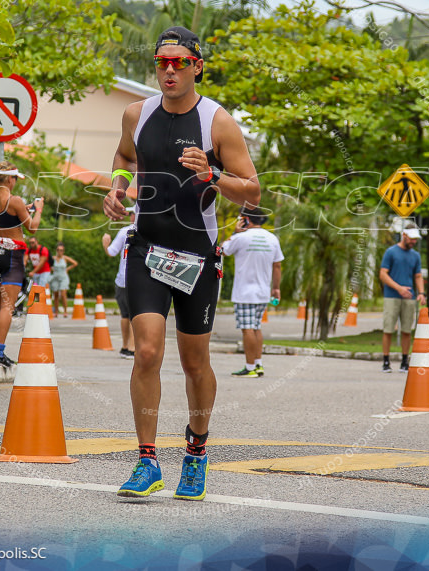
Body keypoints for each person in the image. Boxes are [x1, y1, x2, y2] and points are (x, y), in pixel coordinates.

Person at [104, 26, 260, 501]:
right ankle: (147, 460)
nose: (169, 70)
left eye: (179, 63)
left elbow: (251, 189)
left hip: (196, 255)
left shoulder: (218, 123)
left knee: (195, 363)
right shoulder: (137, 113)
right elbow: (123, 157)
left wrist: (212, 174)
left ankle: (196, 454)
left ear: (197, 67)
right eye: (162, 63)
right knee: (147, 352)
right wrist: (116, 188)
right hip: (147, 248)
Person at [0, 162, 43, 369]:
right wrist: (38, 210)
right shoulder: (15, 200)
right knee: (8, 306)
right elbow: (32, 228)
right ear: (10, 179)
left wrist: (23, 210)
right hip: (12, 255)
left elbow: (4, 220)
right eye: (15, 179)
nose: (15, 182)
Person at [222, 208, 283, 378]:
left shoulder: (240, 238)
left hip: (244, 292)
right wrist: (276, 288)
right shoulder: (272, 238)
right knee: (256, 327)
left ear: (246, 219)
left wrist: (234, 233)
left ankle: (249, 368)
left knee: (247, 328)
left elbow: (223, 250)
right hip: (263, 291)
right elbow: (277, 265)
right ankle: (258, 364)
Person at [379, 227, 425, 373]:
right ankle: (386, 361)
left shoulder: (415, 255)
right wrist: (399, 288)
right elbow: (383, 274)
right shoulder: (391, 252)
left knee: (406, 330)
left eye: (415, 239)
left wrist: (422, 293)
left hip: (409, 297)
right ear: (403, 235)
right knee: (388, 329)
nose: (413, 241)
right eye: (411, 238)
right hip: (392, 296)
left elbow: (418, 276)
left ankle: (405, 361)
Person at [103, 211, 136, 359]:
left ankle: (125, 346)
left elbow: (111, 252)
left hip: (122, 279)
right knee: (133, 316)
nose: (132, 216)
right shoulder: (147, 232)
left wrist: (105, 244)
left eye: (133, 213)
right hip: (135, 280)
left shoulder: (125, 232)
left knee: (125, 315)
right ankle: (131, 348)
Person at [48, 242, 78, 317]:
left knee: (63, 294)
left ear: (63, 251)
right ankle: (56, 312)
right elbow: (48, 264)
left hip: (63, 278)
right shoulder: (53, 258)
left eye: (61, 250)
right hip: (55, 278)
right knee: (56, 295)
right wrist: (51, 269)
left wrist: (67, 269)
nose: (59, 252)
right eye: (58, 250)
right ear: (56, 250)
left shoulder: (65, 258)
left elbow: (75, 263)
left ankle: (65, 311)